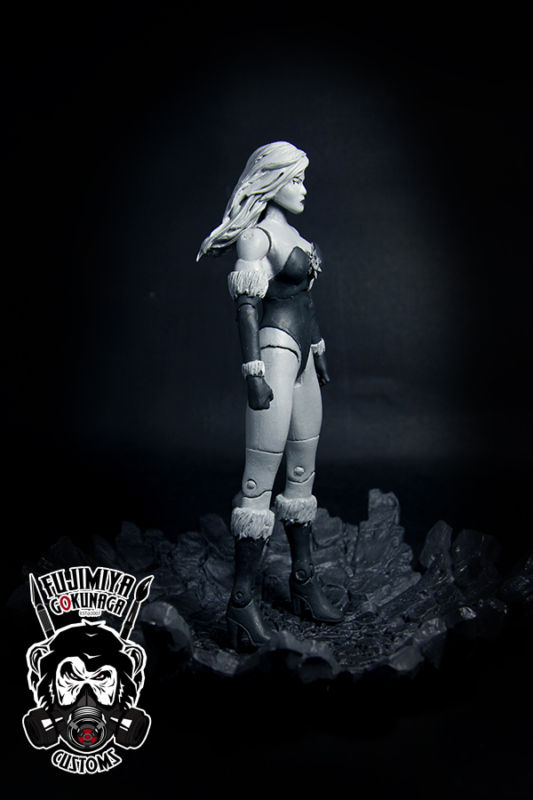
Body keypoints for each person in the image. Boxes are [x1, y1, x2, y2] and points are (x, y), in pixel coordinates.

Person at [197, 141, 342, 649]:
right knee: (259, 479)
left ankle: (303, 581)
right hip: (275, 352)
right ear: (273, 180)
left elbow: (305, 300)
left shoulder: (295, 235)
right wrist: (253, 373)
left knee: (302, 471)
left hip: (301, 353)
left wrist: (318, 348)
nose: (303, 188)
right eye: (295, 179)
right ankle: (241, 604)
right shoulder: (257, 237)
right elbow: (246, 306)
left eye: (303, 178)